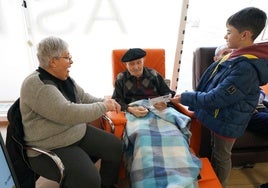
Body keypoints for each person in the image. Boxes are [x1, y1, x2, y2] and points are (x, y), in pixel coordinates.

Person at [171, 7, 268, 187]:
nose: (225, 36)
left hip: (229, 120)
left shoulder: (245, 68)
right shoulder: (235, 56)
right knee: (216, 153)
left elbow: (217, 98)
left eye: (229, 32)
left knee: (222, 156)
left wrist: (185, 97)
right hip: (222, 115)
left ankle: (219, 184)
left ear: (245, 34)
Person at [20, 36, 123, 188]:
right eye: (67, 57)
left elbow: (83, 97)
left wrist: (108, 102)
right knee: (89, 179)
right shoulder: (38, 85)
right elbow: (68, 113)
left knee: (115, 147)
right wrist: (104, 107)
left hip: (74, 132)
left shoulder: (63, 78)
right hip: (50, 145)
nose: (71, 62)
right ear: (53, 62)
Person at [112, 48, 201, 188]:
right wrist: (130, 109)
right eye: (131, 64)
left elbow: (168, 93)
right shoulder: (121, 78)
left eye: (138, 63)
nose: (135, 67)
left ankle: (178, 177)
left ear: (143, 61)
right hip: (136, 113)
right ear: (126, 65)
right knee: (144, 138)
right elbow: (116, 100)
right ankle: (150, 180)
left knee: (175, 135)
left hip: (159, 111)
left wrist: (164, 102)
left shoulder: (153, 74)